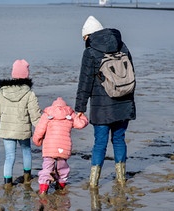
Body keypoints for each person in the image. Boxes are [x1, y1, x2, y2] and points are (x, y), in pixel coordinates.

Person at [75, 16, 136, 188]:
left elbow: (84, 82)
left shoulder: (90, 52)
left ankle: (94, 183)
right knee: (119, 140)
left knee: (99, 144)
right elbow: (130, 76)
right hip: (124, 104)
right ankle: (121, 179)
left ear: (88, 36)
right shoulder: (122, 46)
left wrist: (80, 108)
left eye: (84, 38)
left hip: (101, 109)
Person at [0, 59, 41, 190]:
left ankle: (7, 183)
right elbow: (35, 115)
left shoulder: (2, 92)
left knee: (9, 156)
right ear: (26, 75)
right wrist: (42, 129)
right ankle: (27, 177)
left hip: (7, 130)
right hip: (23, 129)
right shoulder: (29, 93)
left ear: (13, 74)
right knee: (26, 151)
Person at [33, 97, 88, 195]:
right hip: (63, 148)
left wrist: (37, 141)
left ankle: (43, 189)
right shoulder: (70, 115)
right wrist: (82, 116)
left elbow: (39, 130)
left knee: (47, 168)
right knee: (62, 168)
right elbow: (80, 124)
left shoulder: (47, 114)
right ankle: (61, 185)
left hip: (49, 148)